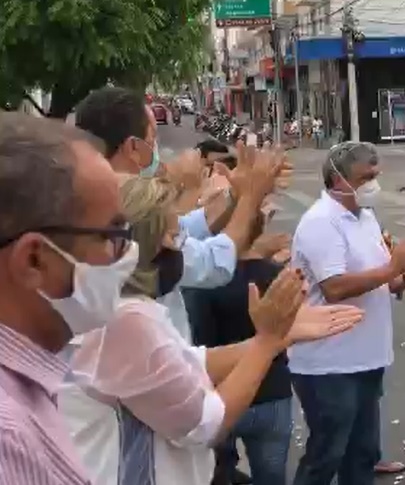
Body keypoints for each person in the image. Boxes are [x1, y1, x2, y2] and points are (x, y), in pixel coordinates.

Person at [59, 172, 364, 485]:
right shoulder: (123, 321)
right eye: (175, 237)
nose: (181, 249)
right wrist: (267, 344)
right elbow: (205, 425)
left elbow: (184, 363)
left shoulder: (115, 309)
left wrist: (272, 337)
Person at [290, 141, 405, 485]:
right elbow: (335, 287)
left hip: (367, 357)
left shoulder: (365, 217)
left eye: (376, 175)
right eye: (365, 177)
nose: (374, 183)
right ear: (337, 178)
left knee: (362, 456)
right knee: (327, 455)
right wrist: (393, 268)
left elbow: (378, 282)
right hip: (329, 364)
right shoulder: (320, 222)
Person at [74, 87, 268, 340]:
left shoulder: (84, 198)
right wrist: (251, 195)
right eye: (153, 139)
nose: (157, 148)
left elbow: (186, 230)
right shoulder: (124, 211)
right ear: (133, 147)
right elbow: (211, 263)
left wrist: (235, 196)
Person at [0, 113, 131, 483]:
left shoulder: (29, 386)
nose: (123, 255)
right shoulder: (9, 439)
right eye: (110, 235)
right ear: (34, 260)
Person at [193, 214, 295, 485]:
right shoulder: (276, 276)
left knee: (219, 474)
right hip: (273, 393)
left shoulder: (204, 283)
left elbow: (200, 341)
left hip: (224, 393)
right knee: (272, 476)